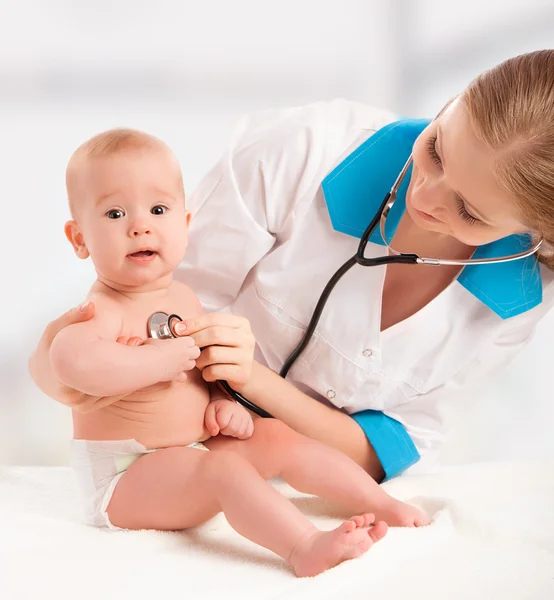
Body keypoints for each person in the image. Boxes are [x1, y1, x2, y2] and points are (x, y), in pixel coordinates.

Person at [30, 50, 554, 485]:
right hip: (165, 451)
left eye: (469, 210)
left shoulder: (519, 298)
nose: (425, 193)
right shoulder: (303, 149)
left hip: (316, 486)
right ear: (450, 103)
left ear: (534, 231)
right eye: (437, 148)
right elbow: (146, 315)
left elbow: (389, 450)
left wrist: (253, 382)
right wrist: (69, 361)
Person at [41, 128, 431, 578]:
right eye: (114, 213)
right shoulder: (103, 311)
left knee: (276, 435)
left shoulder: (185, 299)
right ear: (79, 239)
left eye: (159, 209)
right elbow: (71, 363)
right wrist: (154, 361)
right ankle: (304, 546)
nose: (140, 226)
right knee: (222, 469)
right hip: (125, 477)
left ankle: (381, 503)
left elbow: (199, 378)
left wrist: (221, 406)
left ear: (184, 225)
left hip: (192, 450)